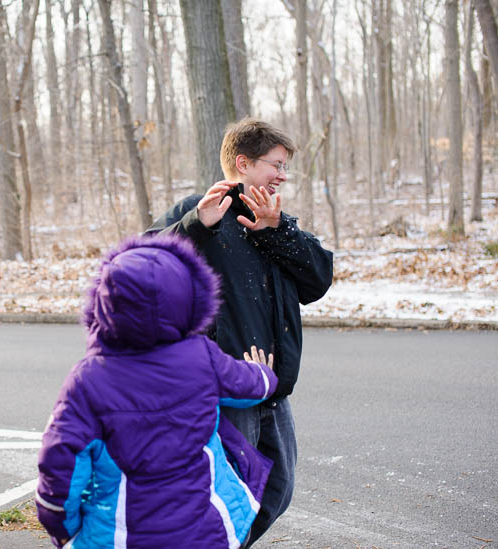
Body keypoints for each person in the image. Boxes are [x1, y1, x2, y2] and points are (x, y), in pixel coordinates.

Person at [146, 117, 334, 546]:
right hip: (225, 388)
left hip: (273, 386)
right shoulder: (201, 211)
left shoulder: (276, 220)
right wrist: (197, 224)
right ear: (243, 163)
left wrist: (279, 232)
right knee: (231, 496)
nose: (283, 176)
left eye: (287, 167)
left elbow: (318, 282)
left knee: (277, 491)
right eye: (277, 164)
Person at [36, 234, 279, 548]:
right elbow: (249, 385)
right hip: (203, 531)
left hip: (120, 537)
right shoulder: (201, 356)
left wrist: (63, 529)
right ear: (189, 299)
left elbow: (60, 470)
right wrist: (267, 374)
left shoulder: (87, 381)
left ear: (103, 303)